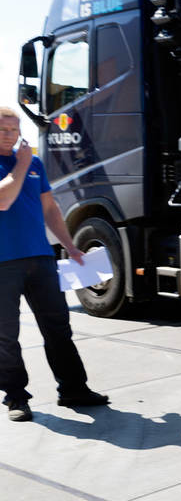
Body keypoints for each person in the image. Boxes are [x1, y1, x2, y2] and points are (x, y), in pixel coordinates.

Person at [0, 107, 109, 422]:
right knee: (6, 335)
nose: (10, 134)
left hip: (41, 258)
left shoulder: (34, 163)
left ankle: (73, 389)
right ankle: (16, 398)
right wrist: (21, 164)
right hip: (3, 263)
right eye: (3, 129)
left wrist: (70, 245)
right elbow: (4, 199)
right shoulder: (25, 163)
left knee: (59, 328)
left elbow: (50, 208)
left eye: (14, 128)